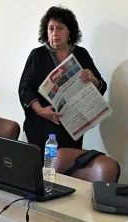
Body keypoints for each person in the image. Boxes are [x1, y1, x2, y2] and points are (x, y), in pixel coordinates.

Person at [18, 6, 107, 152]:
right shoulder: (37, 55)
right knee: (41, 170)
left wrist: (93, 79)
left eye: (60, 28)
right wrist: (40, 110)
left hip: (72, 129)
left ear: (69, 31)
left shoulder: (81, 54)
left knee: (67, 170)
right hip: (41, 127)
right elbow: (24, 88)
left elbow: (101, 86)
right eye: (51, 28)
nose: (54, 33)